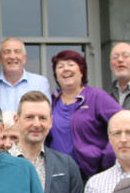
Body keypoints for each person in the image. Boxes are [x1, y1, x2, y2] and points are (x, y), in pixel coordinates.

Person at [50, 49, 122, 181]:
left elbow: (123, 122)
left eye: (71, 65)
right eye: (60, 66)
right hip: (58, 174)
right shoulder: (52, 102)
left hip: (89, 174)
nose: (66, 69)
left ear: (81, 71)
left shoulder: (97, 97)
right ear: (56, 75)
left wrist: (107, 158)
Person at [0, 37, 49, 115]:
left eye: (17, 52)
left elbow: (44, 114)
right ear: (0, 59)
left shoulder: (40, 83)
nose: (12, 56)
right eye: (7, 52)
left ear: (25, 58)